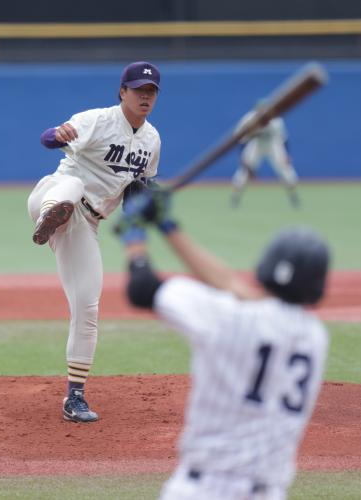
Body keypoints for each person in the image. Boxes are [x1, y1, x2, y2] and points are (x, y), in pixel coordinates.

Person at [116, 189, 330, 499]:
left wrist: (134, 239)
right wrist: (168, 226)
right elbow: (234, 288)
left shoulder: (227, 319)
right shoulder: (314, 336)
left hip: (203, 489)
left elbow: (142, 289)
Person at [27, 61, 162, 423]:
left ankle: (75, 397)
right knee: (70, 190)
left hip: (86, 226)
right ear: (123, 92)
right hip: (53, 193)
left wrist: (147, 196)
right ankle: (49, 218)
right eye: (138, 90)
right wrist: (59, 134)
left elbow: (138, 191)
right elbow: (47, 138)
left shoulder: (152, 140)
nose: (145, 96)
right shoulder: (97, 120)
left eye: (151, 92)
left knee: (88, 307)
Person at [231, 102, 300, 208]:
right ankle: (235, 199)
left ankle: (294, 197)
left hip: (273, 144)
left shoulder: (276, 121)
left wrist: (287, 154)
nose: (263, 113)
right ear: (256, 112)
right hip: (255, 144)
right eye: (260, 111)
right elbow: (239, 138)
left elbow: (283, 139)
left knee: (286, 169)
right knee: (243, 172)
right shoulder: (248, 120)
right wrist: (241, 156)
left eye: (265, 111)